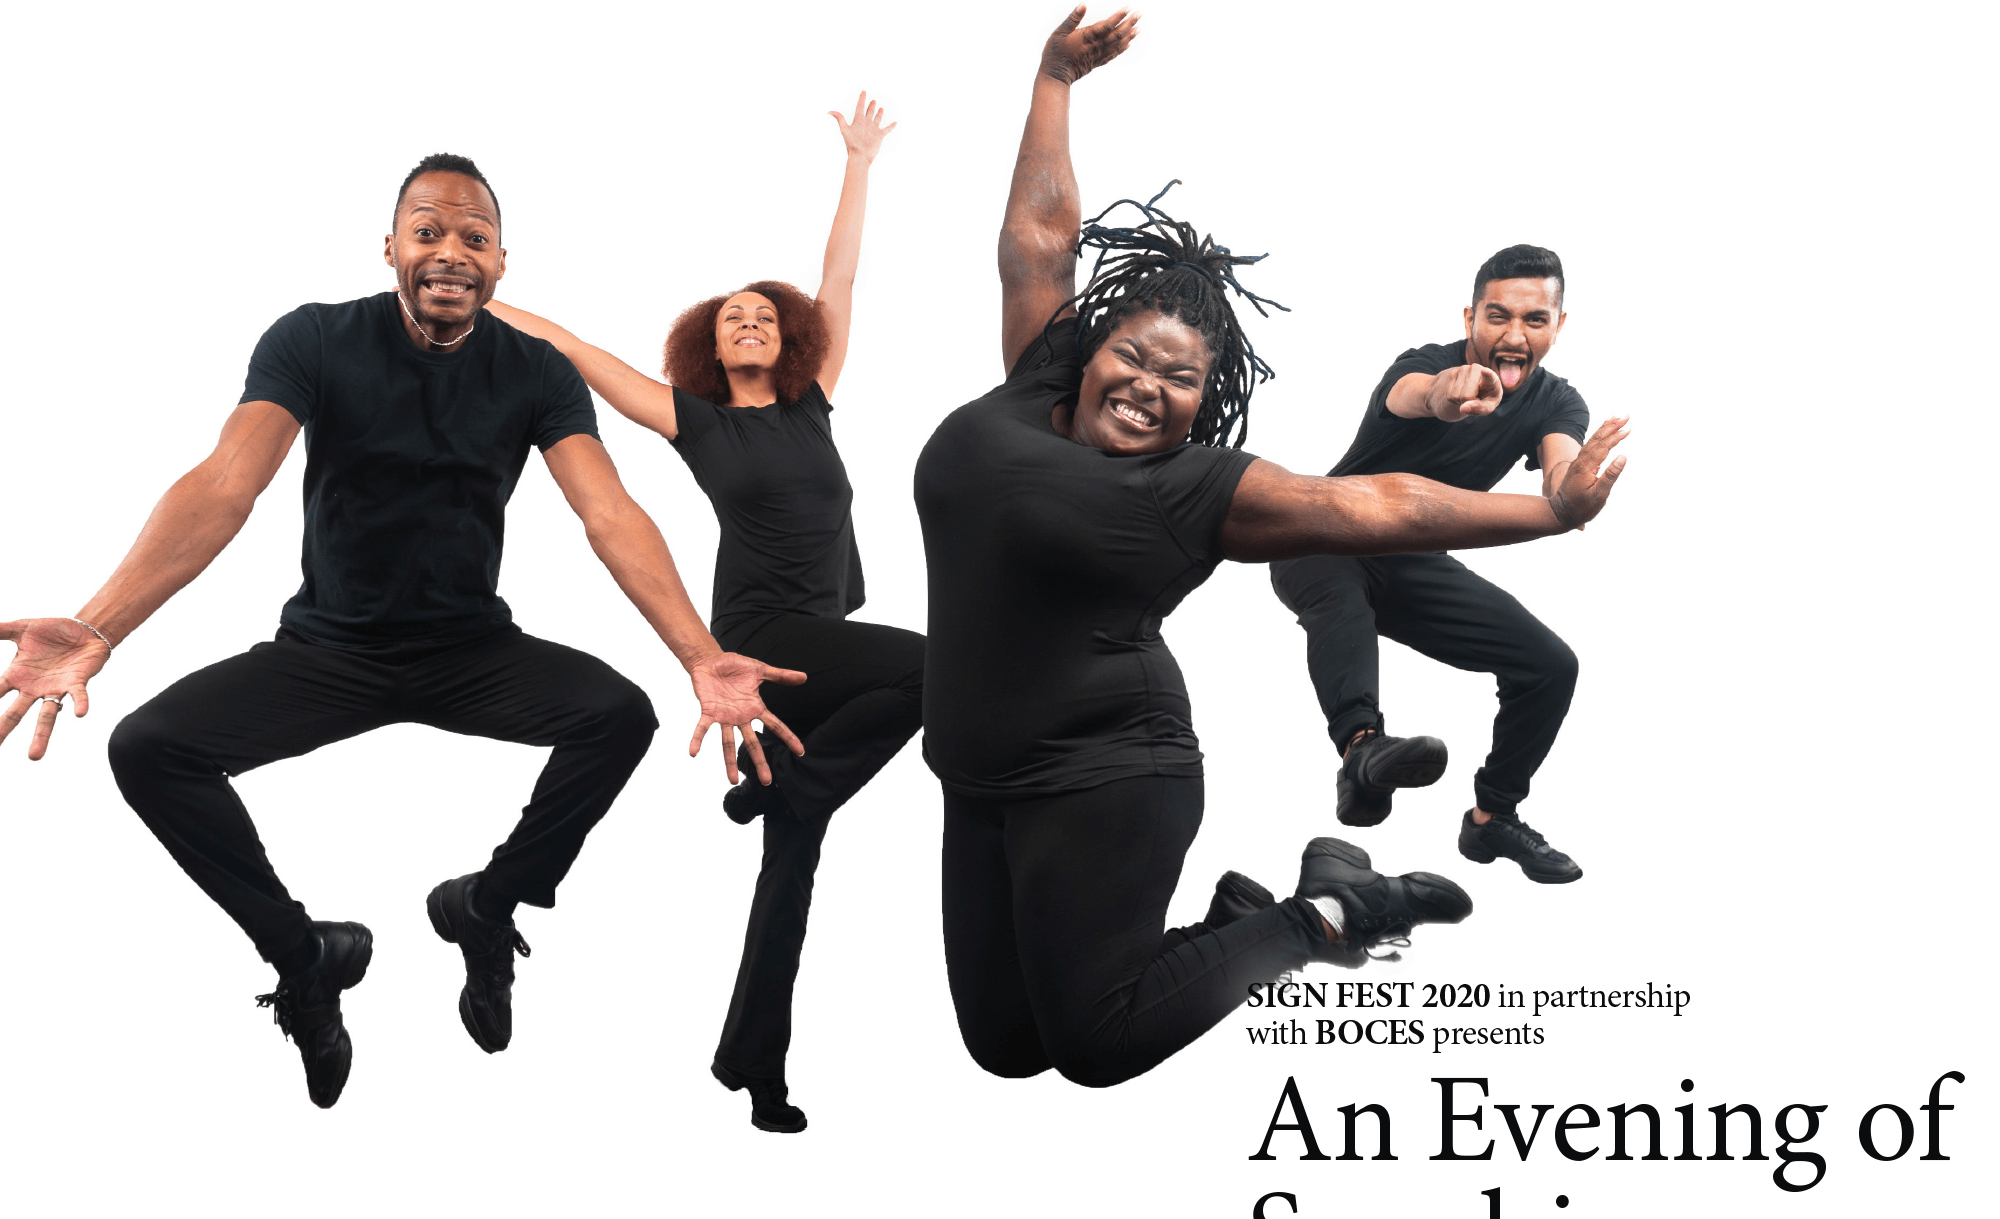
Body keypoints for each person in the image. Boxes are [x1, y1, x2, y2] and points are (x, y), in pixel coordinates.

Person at [910, 8, 1630, 1089]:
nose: (1148, 387)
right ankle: (1239, 920)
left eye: (1181, 381)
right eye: (1135, 359)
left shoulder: (1191, 487)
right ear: (1089, 343)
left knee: (1095, 1046)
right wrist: (1052, 81)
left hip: (1107, 770)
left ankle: (1328, 909)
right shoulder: (1031, 378)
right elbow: (1037, 241)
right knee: (1008, 1048)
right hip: (972, 772)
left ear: (1207, 405)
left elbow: (1384, 507)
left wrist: (1551, 512)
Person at [0, 154, 804, 1109]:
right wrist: (102, 624)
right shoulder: (315, 340)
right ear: (391, 248)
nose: (450, 251)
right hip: (329, 653)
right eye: (427, 231)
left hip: (470, 650)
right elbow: (227, 483)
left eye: (473, 236)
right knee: (148, 751)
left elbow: (610, 513)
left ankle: (486, 905)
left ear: (502, 262)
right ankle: (308, 962)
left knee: (617, 716)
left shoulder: (537, 371)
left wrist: (698, 654)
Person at [488, 96, 919, 1134]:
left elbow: (841, 278)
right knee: (936, 666)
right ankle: (796, 784)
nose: (752, 320)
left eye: (765, 313)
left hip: (822, 657)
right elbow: (571, 347)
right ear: (709, 347)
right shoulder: (696, 423)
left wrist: (857, 164)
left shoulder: (815, 396)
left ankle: (754, 1068)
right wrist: (475, 290)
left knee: (794, 857)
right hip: (764, 639)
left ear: (788, 338)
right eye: (732, 316)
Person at [1268, 244, 1608, 883]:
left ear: (1559, 326)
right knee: (1341, 606)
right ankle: (1363, 755)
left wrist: (1576, 492)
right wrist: (1447, 395)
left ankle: (1491, 821)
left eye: (1535, 320)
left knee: (1550, 665)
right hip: (1320, 536)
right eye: (1497, 317)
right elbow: (1415, 395)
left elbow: (1562, 473)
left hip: (1411, 563)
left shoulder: (1558, 402)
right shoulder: (1426, 365)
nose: (1513, 335)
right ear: (1469, 318)